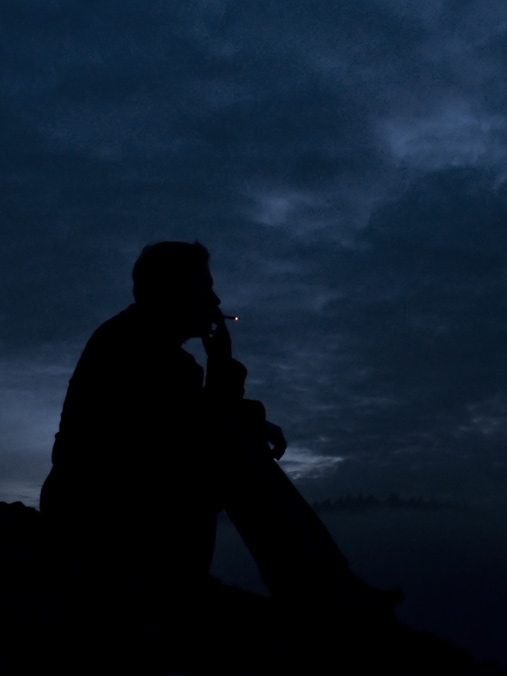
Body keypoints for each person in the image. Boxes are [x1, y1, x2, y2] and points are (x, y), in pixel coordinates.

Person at [39, 241, 398, 673]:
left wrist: (239, 404)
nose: (217, 300)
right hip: (98, 513)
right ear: (175, 291)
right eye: (205, 287)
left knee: (232, 444)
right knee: (233, 450)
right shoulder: (131, 346)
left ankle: (324, 584)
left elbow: (194, 421)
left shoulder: (158, 351)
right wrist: (224, 366)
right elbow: (195, 430)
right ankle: (322, 588)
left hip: (129, 502)